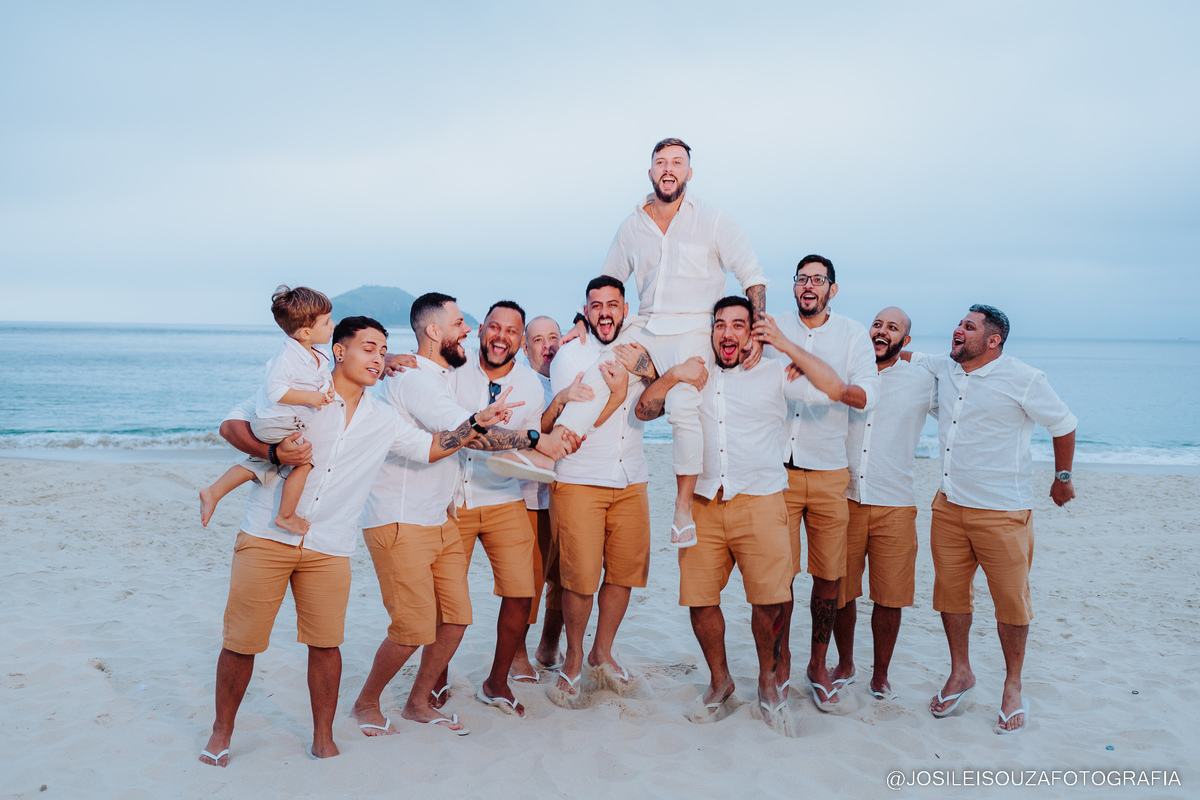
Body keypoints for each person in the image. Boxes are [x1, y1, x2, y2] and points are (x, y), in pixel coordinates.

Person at [199, 316, 521, 766]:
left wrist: (475, 423)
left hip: (330, 545)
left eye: (383, 350)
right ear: (339, 351)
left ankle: (323, 738)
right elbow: (231, 424)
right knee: (242, 643)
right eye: (368, 348)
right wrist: (272, 452)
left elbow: (431, 448)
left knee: (326, 644)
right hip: (267, 534)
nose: (378, 357)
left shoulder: (383, 419)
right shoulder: (303, 392)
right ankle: (221, 733)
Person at [350, 294, 573, 737]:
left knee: (456, 616)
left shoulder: (438, 371)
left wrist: (391, 358)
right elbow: (468, 432)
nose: (470, 331)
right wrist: (533, 437)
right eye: (463, 324)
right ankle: (372, 701)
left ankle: (422, 701)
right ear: (438, 332)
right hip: (412, 513)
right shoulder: (428, 377)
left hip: (451, 511)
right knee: (414, 626)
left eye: (512, 330)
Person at [637, 297, 849, 735]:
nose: (727, 332)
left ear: (753, 333)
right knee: (699, 600)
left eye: (738, 324)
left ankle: (769, 684)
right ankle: (720, 681)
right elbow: (645, 409)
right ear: (712, 331)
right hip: (703, 501)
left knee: (769, 601)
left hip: (761, 500)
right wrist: (673, 375)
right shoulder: (696, 372)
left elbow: (834, 388)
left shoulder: (775, 372)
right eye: (720, 325)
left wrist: (784, 345)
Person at [557, 138, 768, 548]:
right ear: (650, 171)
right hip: (649, 324)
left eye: (677, 162)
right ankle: (553, 446)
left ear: (689, 172)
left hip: (695, 328)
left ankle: (682, 507)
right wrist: (582, 319)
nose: (668, 168)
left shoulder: (714, 219)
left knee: (684, 405)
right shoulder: (631, 226)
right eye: (661, 162)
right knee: (603, 367)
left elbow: (752, 275)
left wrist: (757, 331)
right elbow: (609, 282)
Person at [919, 305, 1076, 734]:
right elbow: (904, 355)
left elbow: (1063, 424)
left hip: (1003, 512)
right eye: (959, 323)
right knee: (950, 596)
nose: (957, 329)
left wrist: (1062, 478)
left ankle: (1012, 685)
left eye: (968, 327)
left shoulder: (1024, 378)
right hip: (948, 507)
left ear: (993, 341)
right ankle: (961, 673)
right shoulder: (946, 368)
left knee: (1011, 602)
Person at [444, 301, 578, 717]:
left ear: (519, 342)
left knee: (521, 593)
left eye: (511, 331)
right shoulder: (453, 370)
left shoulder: (531, 386)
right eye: (494, 327)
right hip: (453, 496)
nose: (501, 337)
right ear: (481, 329)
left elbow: (529, 447)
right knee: (445, 597)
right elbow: (464, 433)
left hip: (503, 495)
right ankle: (435, 677)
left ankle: (496, 681)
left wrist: (554, 448)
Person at [763, 254, 879, 712]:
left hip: (830, 472)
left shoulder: (852, 334)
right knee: (779, 577)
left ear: (833, 288)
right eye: (802, 278)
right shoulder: (771, 328)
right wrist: (817, 379)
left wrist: (801, 364)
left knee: (829, 577)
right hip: (777, 471)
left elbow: (862, 396)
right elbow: (750, 380)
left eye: (818, 279)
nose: (809, 285)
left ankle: (818, 664)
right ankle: (782, 660)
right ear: (794, 285)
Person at [545, 276, 660, 707]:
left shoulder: (642, 348)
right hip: (580, 479)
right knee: (579, 578)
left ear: (625, 310)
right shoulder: (570, 355)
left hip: (631, 476)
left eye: (613, 304)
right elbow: (576, 425)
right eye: (596, 305)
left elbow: (655, 408)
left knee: (625, 573)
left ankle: (602, 652)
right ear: (586, 311)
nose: (605, 312)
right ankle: (574, 659)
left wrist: (650, 373)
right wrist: (619, 390)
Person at [829, 307, 936, 700]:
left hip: (896, 503)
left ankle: (881, 675)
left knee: (890, 596)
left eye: (893, 327)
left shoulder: (923, 381)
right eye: (877, 324)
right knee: (840, 591)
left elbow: (961, 410)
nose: (882, 331)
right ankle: (845, 663)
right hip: (845, 498)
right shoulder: (847, 370)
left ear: (905, 341)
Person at [199, 285, 335, 537]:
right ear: (306, 332)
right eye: (327, 322)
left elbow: (322, 377)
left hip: (282, 420)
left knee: (263, 463)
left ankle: (214, 491)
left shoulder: (316, 353)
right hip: (276, 421)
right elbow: (274, 390)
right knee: (304, 463)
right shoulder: (287, 358)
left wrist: (327, 390)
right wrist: (309, 397)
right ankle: (286, 516)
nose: (333, 326)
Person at [510, 315, 569, 678]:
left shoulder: (567, 377)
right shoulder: (521, 383)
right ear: (525, 347)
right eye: (537, 339)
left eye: (554, 337)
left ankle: (548, 647)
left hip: (566, 495)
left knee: (564, 577)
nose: (547, 346)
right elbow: (531, 434)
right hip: (530, 497)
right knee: (528, 580)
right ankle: (517, 653)